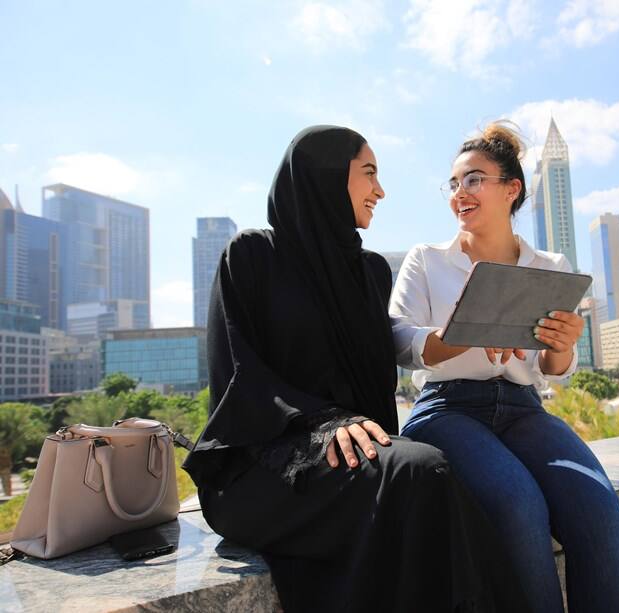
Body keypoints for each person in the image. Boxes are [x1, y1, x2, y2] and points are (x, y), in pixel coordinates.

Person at [183, 125, 523, 613]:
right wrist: (324, 424)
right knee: (423, 470)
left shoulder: (369, 271)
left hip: (354, 456)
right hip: (263, 465)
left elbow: (376, 384)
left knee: (428, 478)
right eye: (368, 174)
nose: (380, 191)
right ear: (322, 178)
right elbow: (239, 371)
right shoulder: (253, 255)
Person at [390, 122, 619, 613]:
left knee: (599, 508)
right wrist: (453, 336)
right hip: (447, 411)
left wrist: (564, 345)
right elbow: (399, 340)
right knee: (518, 504)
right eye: (455, 183)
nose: (461, 193)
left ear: (512, 189)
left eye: (475, 179)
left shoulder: (551, 265)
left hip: (524, 411)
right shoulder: (427, 260)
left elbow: (553, 368)